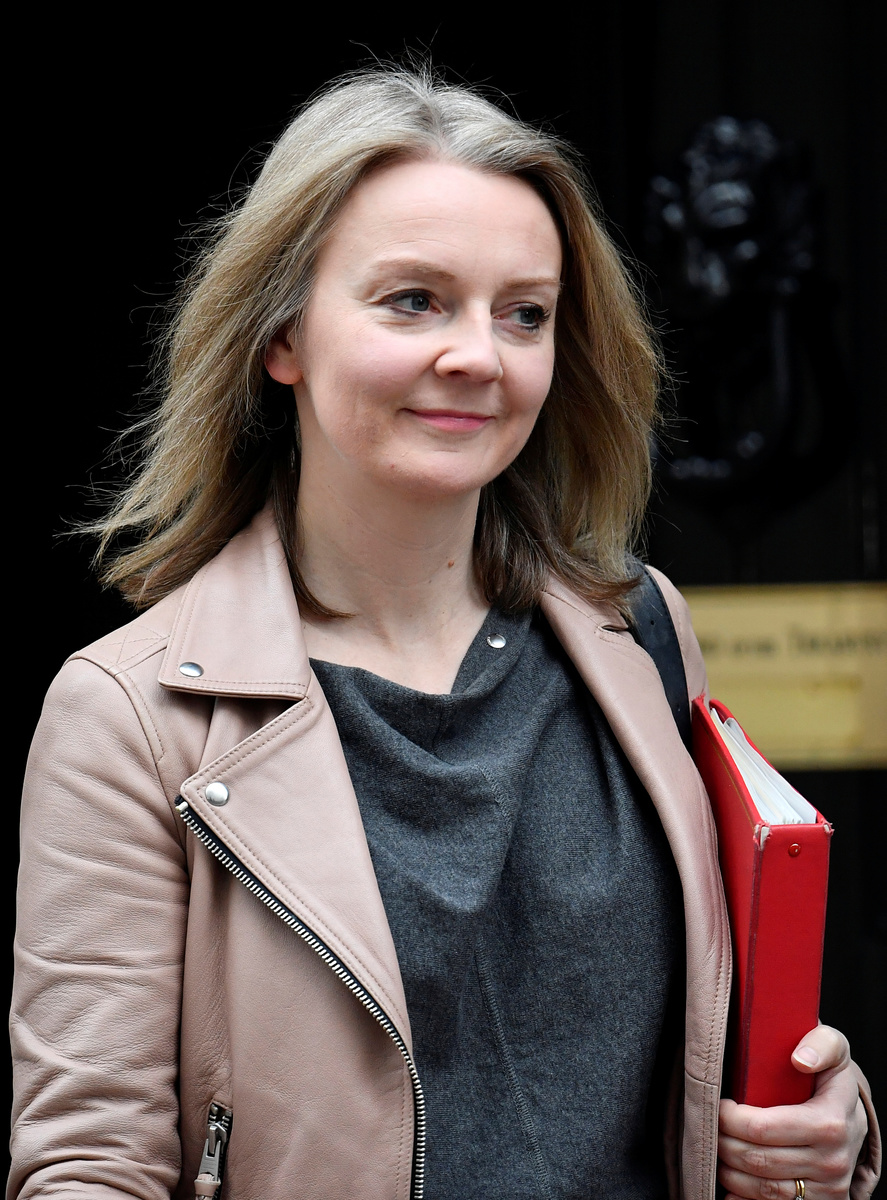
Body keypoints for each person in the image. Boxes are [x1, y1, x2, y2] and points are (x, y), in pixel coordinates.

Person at [10, 69, 879, 1200]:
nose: (479, 354)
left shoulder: (638, 630)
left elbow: (724, 1060)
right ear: (281, 335)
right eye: (414, 300)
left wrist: (820, 1130)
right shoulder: (133, 712)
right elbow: (90, 1164)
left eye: (524, 313)